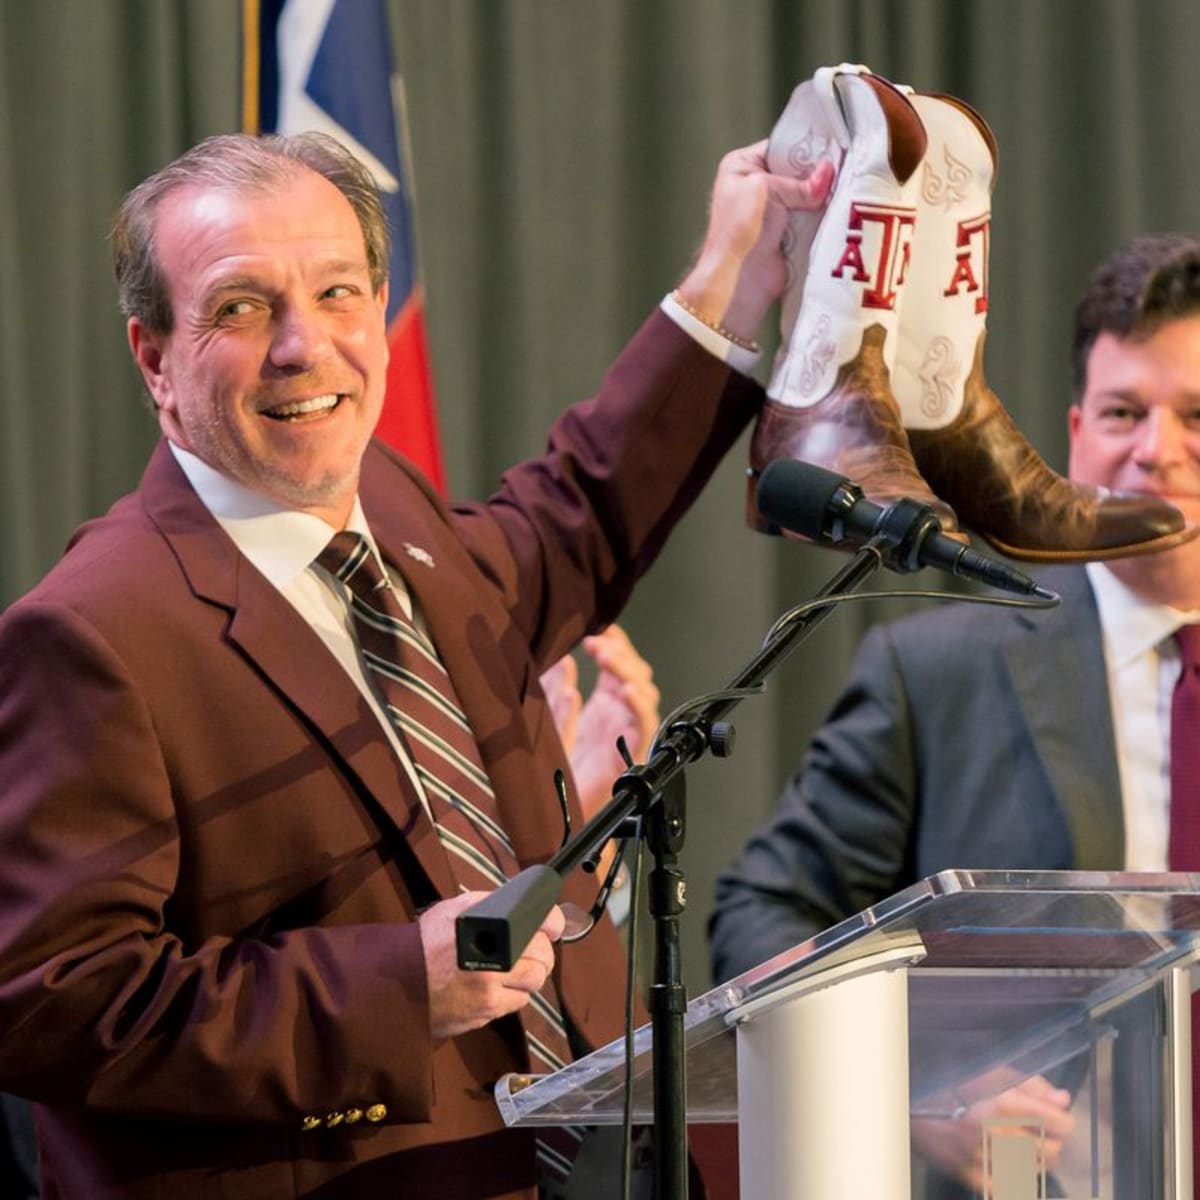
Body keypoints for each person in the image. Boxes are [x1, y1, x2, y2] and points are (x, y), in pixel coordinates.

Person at [0, 128, 831, 1199]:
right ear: (154, 357)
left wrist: (731, 282)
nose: (306, 346)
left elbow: (567, 526)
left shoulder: (384, 498)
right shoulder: (92, 634)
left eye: (340, 293)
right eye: (243, 308)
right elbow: (50, 1000)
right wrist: (399, 987)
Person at [709, 231, 1200, 1197]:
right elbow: (761, 914)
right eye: (1122, 413)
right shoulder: (937, 671)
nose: (1157, 451)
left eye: (1197, 415)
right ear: (1072, 432)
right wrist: (920, 1086)